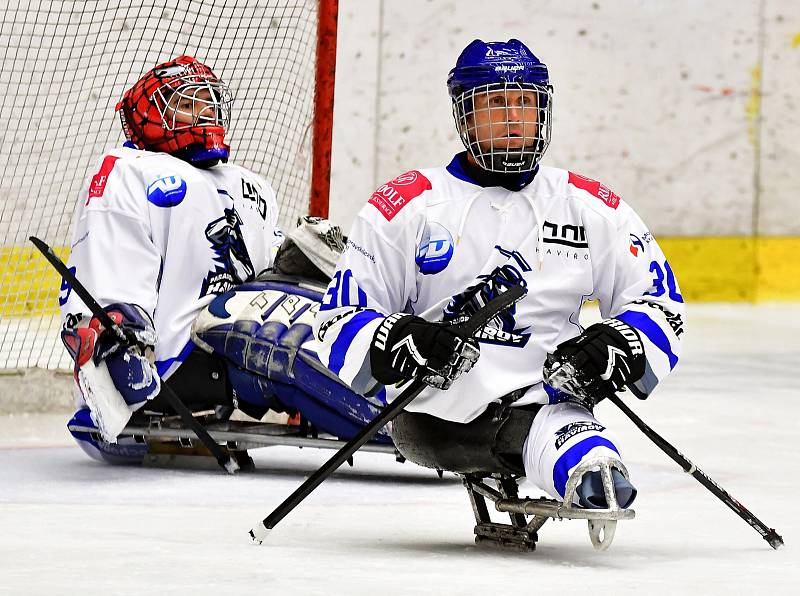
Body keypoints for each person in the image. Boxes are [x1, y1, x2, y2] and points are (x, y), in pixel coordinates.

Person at [313, 39, 685, 509]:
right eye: (495, 103)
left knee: (598, 478)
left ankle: (573, 455)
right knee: (575, 461)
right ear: (464, 116)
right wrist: (397, 338)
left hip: (551, 401)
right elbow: (339, 316)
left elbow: (660, 301)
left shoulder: (591, 205)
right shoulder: (409, 203)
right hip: (433, 410)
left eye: (525, 102)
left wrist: (621, 343)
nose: (513, 117)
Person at [60, 55, 283, 462]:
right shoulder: (128, 170)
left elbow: (271, 272)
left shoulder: (250, 184)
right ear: (145, 118)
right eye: (186, 104)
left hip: (239, 341)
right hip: (178, 364)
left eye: (208, 103)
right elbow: (109, 269)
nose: (203, 114)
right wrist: (121, 338)